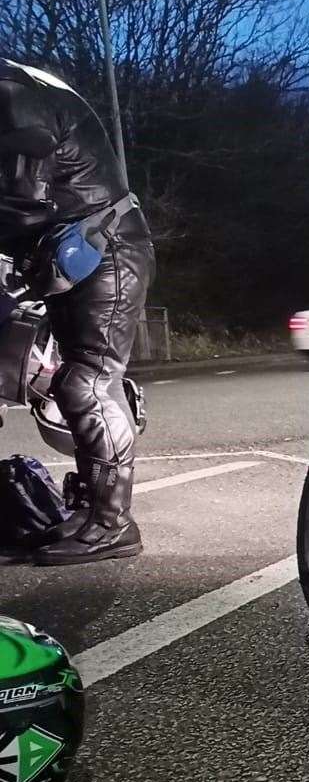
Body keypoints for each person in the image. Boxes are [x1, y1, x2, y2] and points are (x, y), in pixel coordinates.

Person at [0, 58, 154, 563]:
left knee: (86, 383)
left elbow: (22, 204)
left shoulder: (15, 99)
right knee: (72, 380)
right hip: (75, 253)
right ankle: (90, 509)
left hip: (105, 250)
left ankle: (112, 524)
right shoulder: (18, 86)